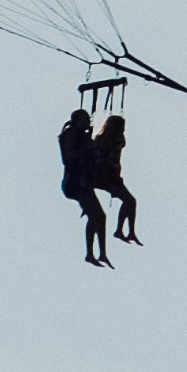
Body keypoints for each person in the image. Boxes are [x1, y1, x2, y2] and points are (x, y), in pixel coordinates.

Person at [58, 106, 110, 266]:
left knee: (99, 216)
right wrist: (87, 146)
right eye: (85, 120)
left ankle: (100, 253)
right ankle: (91, 253)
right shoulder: (71, 135)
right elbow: (70, 158)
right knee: (97, 215)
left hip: (83, 183)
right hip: (75, 183)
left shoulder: (81, 136)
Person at [92, 111, 139, 245]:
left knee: (130, 201)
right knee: (130, 201)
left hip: (105, 176)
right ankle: (123, 231)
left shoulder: (101, 139)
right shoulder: (114, 140)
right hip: (108, 176)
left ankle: (126, 231)